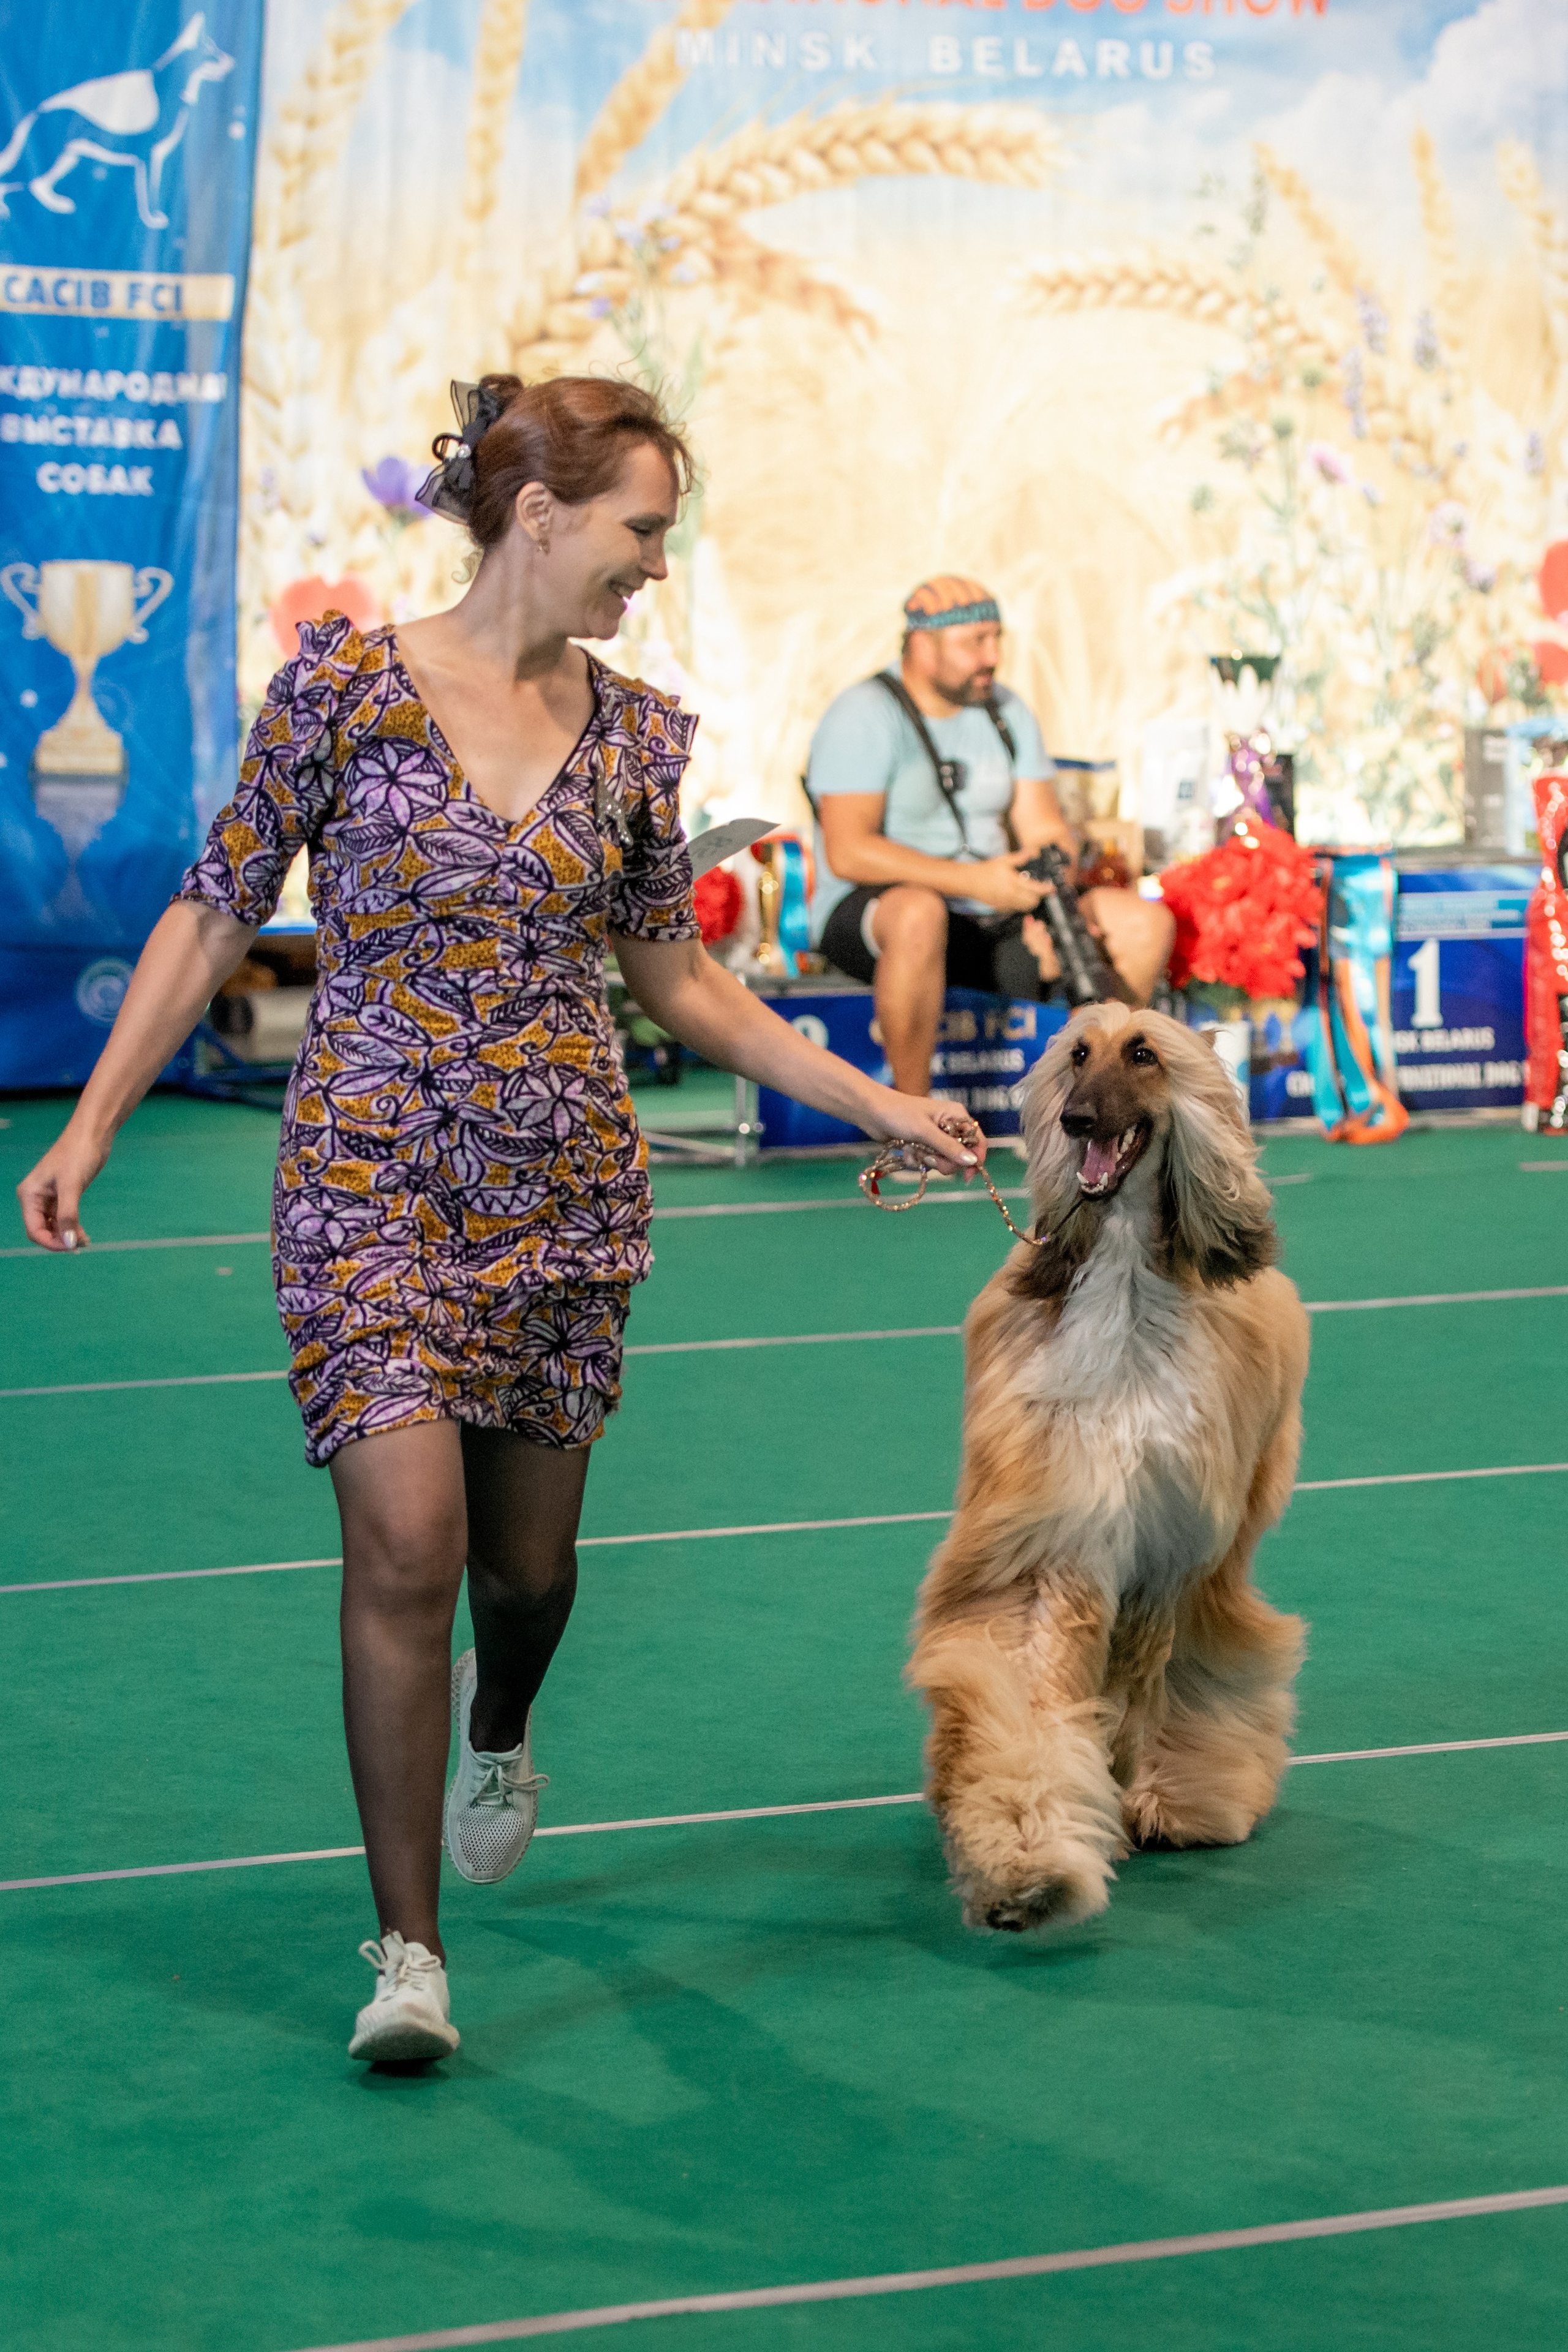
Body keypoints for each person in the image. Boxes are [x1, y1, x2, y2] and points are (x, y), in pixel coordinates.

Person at [16, 374, 982, 2067]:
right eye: (642, 531)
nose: (656, 567)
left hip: (562, 1202)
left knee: (524, 1581)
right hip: (367, 1179)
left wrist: (878, 1100)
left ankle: (504, 1716)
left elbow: (679, 980)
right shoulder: (339, 696)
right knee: (408, 1544)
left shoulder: (634, 741)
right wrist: (88, 1127)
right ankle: (409, 1952)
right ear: (539, 516)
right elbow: (212, 908)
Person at [807, 577, 1174, 1096]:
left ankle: (1102, 1105)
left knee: (1144, 923)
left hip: (993, 907)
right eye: (974, 642)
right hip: (878, 914)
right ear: (921, 645)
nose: (993, 656)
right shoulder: (864, 713)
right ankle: (912, 1120)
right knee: (919, 913)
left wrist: (1052, 901)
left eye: (997, 638)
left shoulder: (1006, 710)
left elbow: (1046, 828)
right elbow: (847, 852)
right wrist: (974, 882)